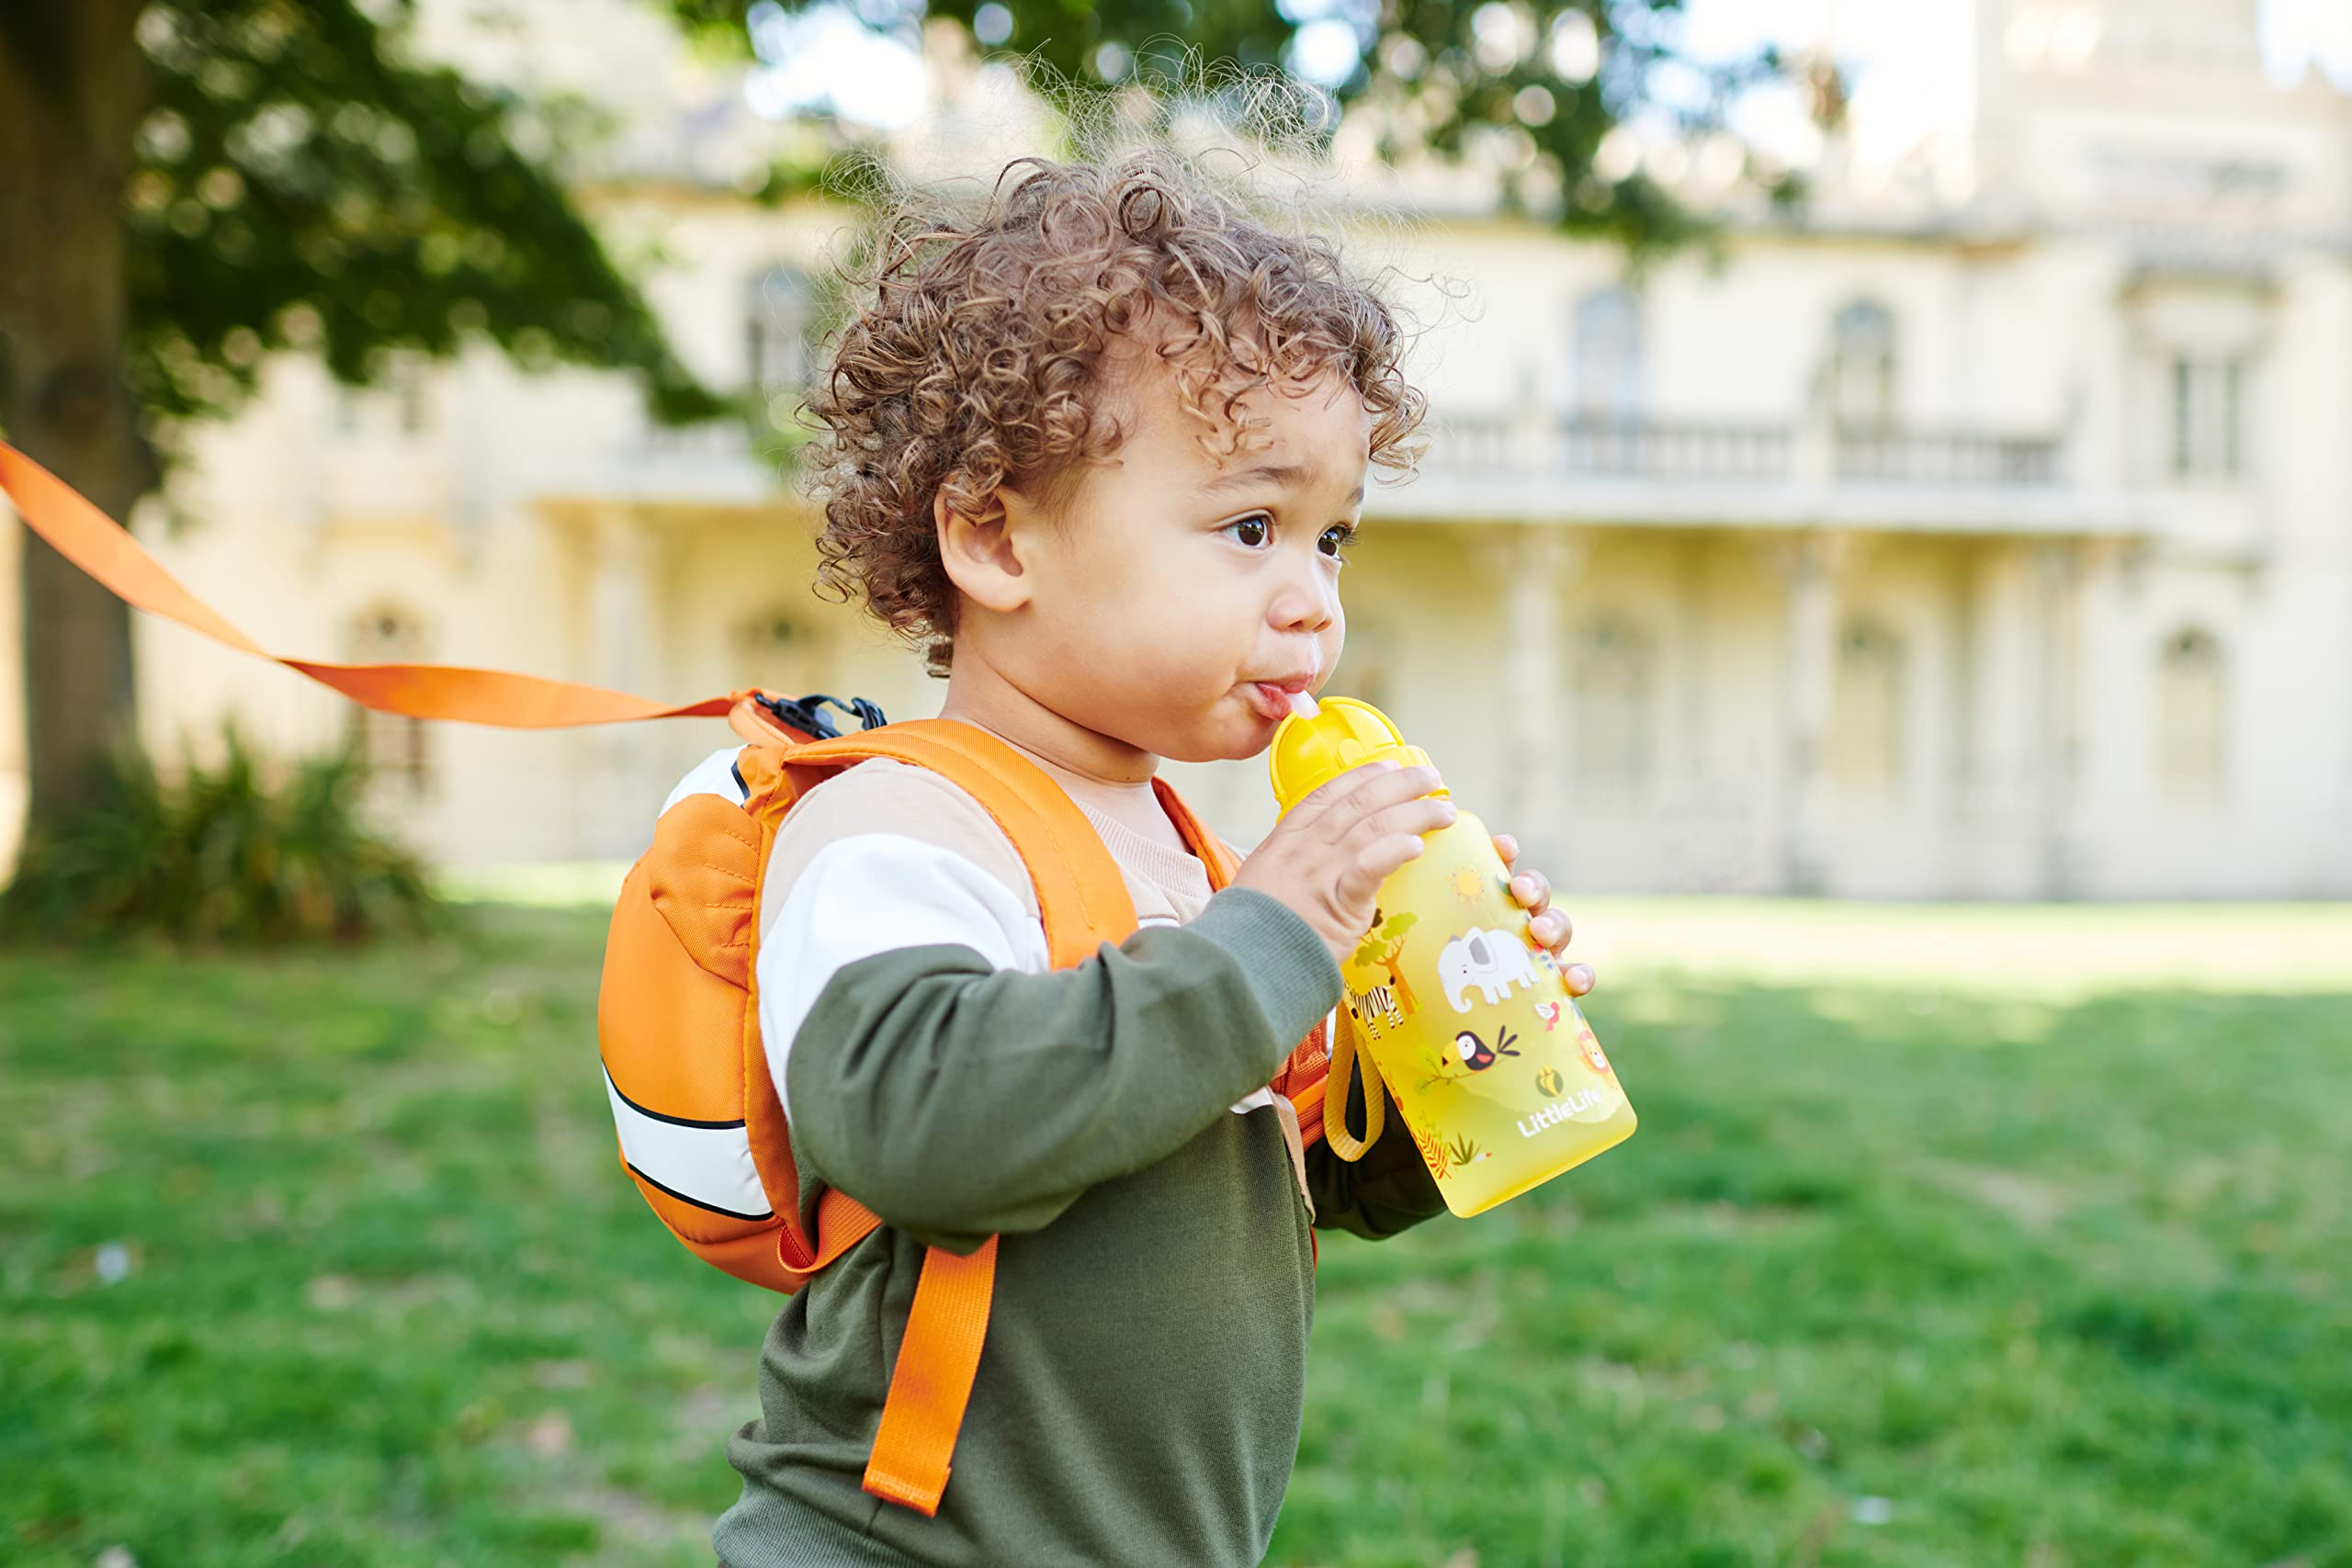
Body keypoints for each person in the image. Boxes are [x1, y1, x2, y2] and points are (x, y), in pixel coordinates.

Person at [707, 146, 1596, 1568]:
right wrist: (1271, 934)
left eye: (1334, 540)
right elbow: (915, 1122)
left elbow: (1272, 1162)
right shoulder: (899, 823)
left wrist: (1455, 1047)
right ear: (994, 537)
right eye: (1252, 528)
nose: (1313, 606)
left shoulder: (1188, 851)